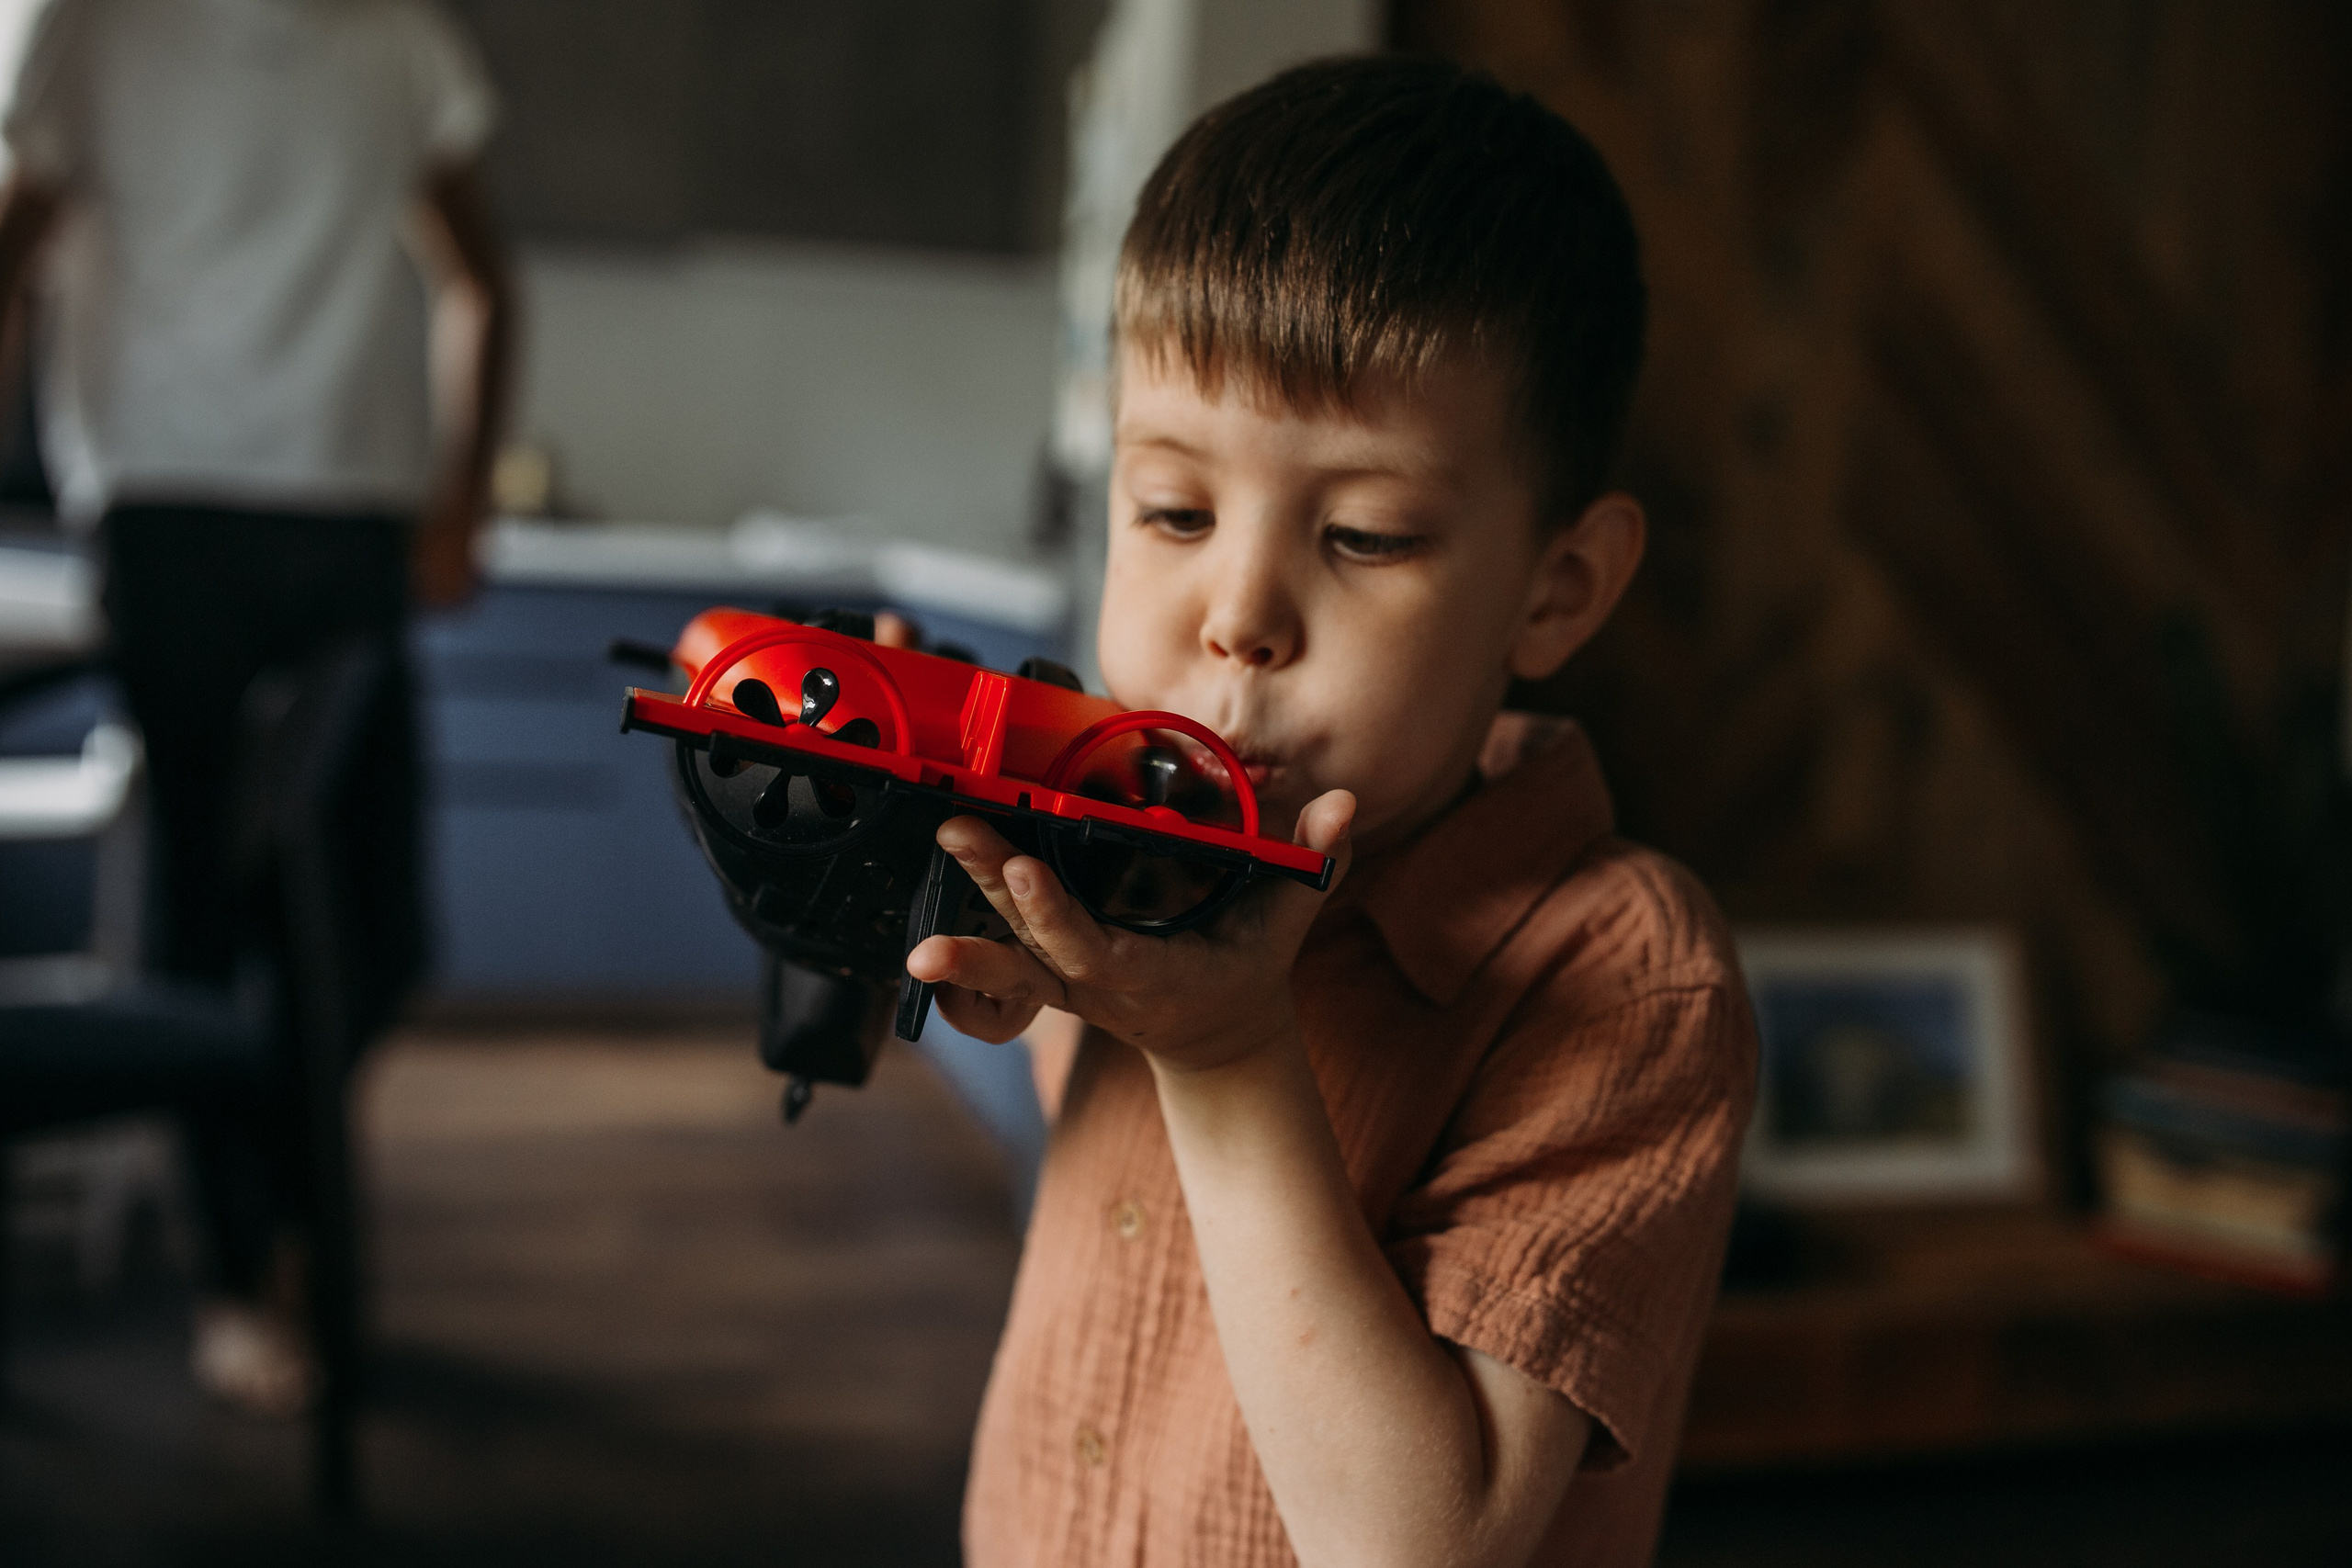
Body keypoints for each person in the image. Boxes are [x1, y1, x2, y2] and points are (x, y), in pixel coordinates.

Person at [905, 56, 1757, 1568]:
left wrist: (1228, 1049)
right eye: (1173, 511)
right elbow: (967, 1032)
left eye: (1363, 535)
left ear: (1556, 590)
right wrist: (881, 857)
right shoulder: (1125, 849)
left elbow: (1423, 1543)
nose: (1237, 614)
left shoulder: (1628, 976)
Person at [0, 0, 512, 1416]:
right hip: (165, 512)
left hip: (351, 521)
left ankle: (270, 1187)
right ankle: (244, 1269)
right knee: (204, 916)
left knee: (382, 932)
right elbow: (11, 245)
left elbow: (483, 280)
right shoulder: (85, 31)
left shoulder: (404, 42)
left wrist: (461, 497)